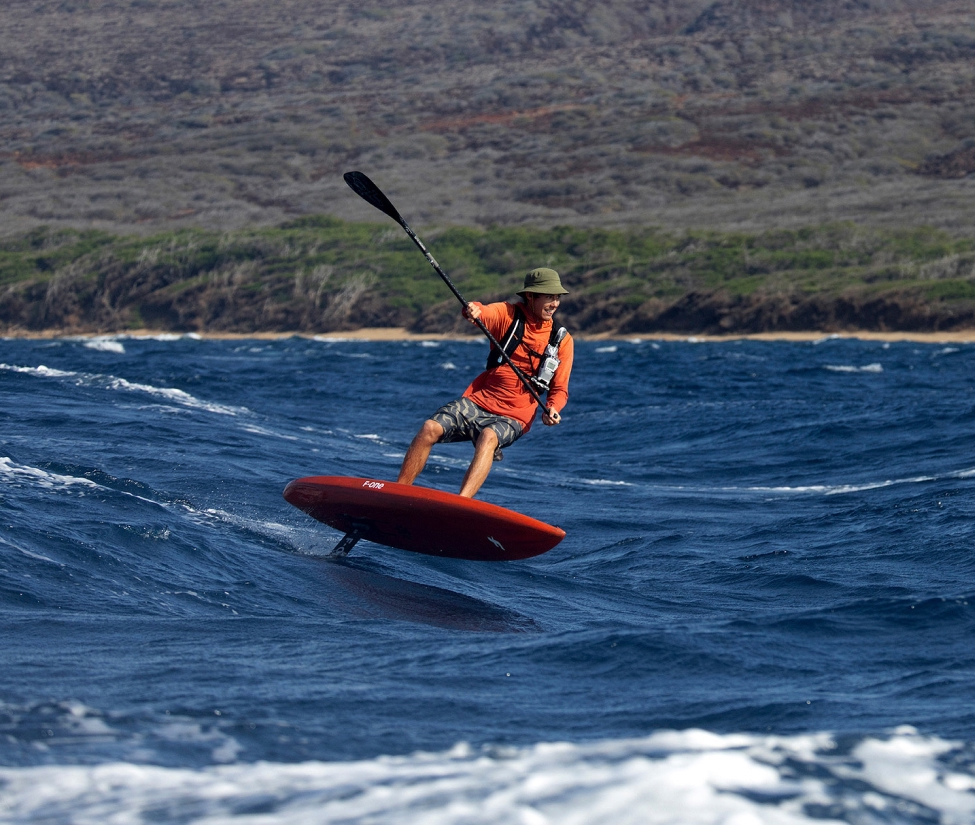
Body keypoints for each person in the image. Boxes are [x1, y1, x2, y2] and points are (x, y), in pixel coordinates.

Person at [397, 268, 574, 498]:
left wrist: (553, 408)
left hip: (516, 415)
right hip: (479, 401)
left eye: (557, 297)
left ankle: (461, 504)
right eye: (549, 297)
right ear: (530, 296)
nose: (555, 303)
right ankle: (398, 492)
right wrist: (472, 310)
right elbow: (482, 312)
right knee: (429, 428)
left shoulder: (562, 340)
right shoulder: (508, 314)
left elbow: (560, 390)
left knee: (489, 437)